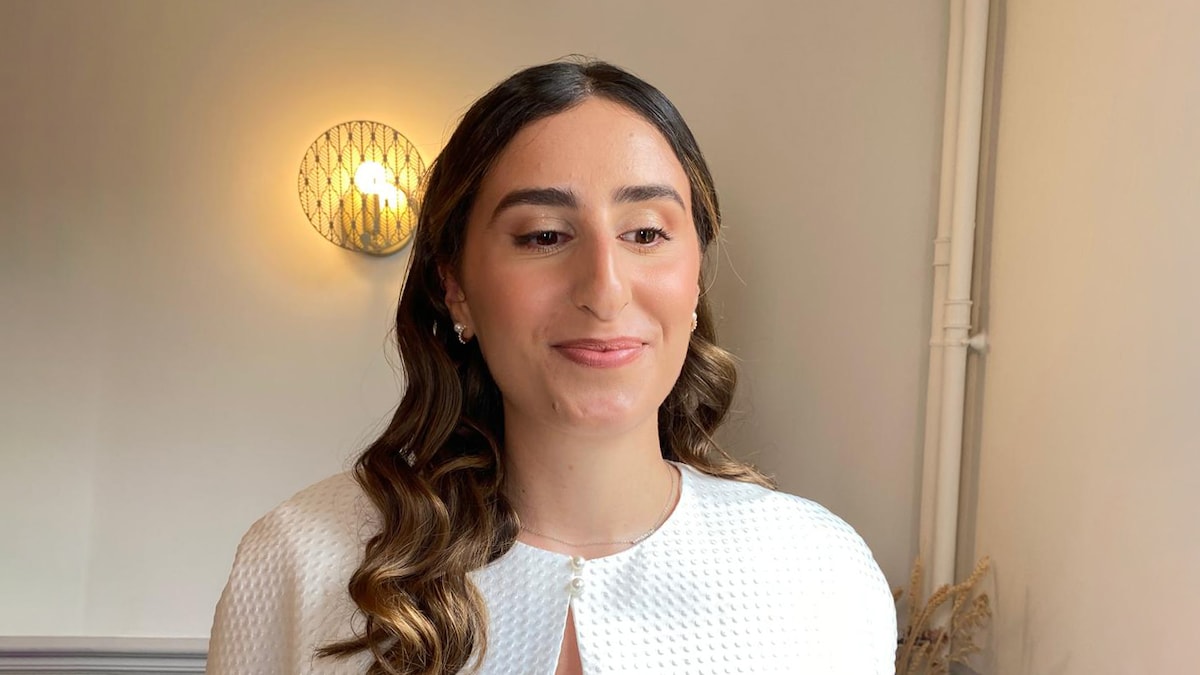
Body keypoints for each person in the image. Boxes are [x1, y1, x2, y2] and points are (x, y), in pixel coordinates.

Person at [206, 58, 896, 675]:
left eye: (646, 233)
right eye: (543, 236)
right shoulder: (297, 558)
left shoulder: (819, 572)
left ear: (693, 280)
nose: (605, 289)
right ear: (456, 285)